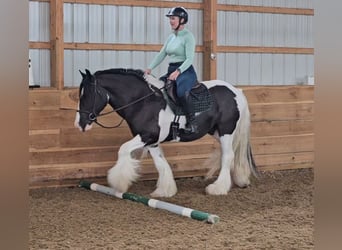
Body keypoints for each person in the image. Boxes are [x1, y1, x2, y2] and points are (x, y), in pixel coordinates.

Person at [145, 6, 198, 133]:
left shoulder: (188, 37)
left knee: (181, 92)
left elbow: (190, 59)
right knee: (159, 89)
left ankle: (192, 122)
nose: (171, 21)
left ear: (182, 20)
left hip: (185, 70)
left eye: (173, 18)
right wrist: (149, 68)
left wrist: (178, 71)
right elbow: (161, 54)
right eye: (170, 19)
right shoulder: (171, 37)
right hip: (172, 69)